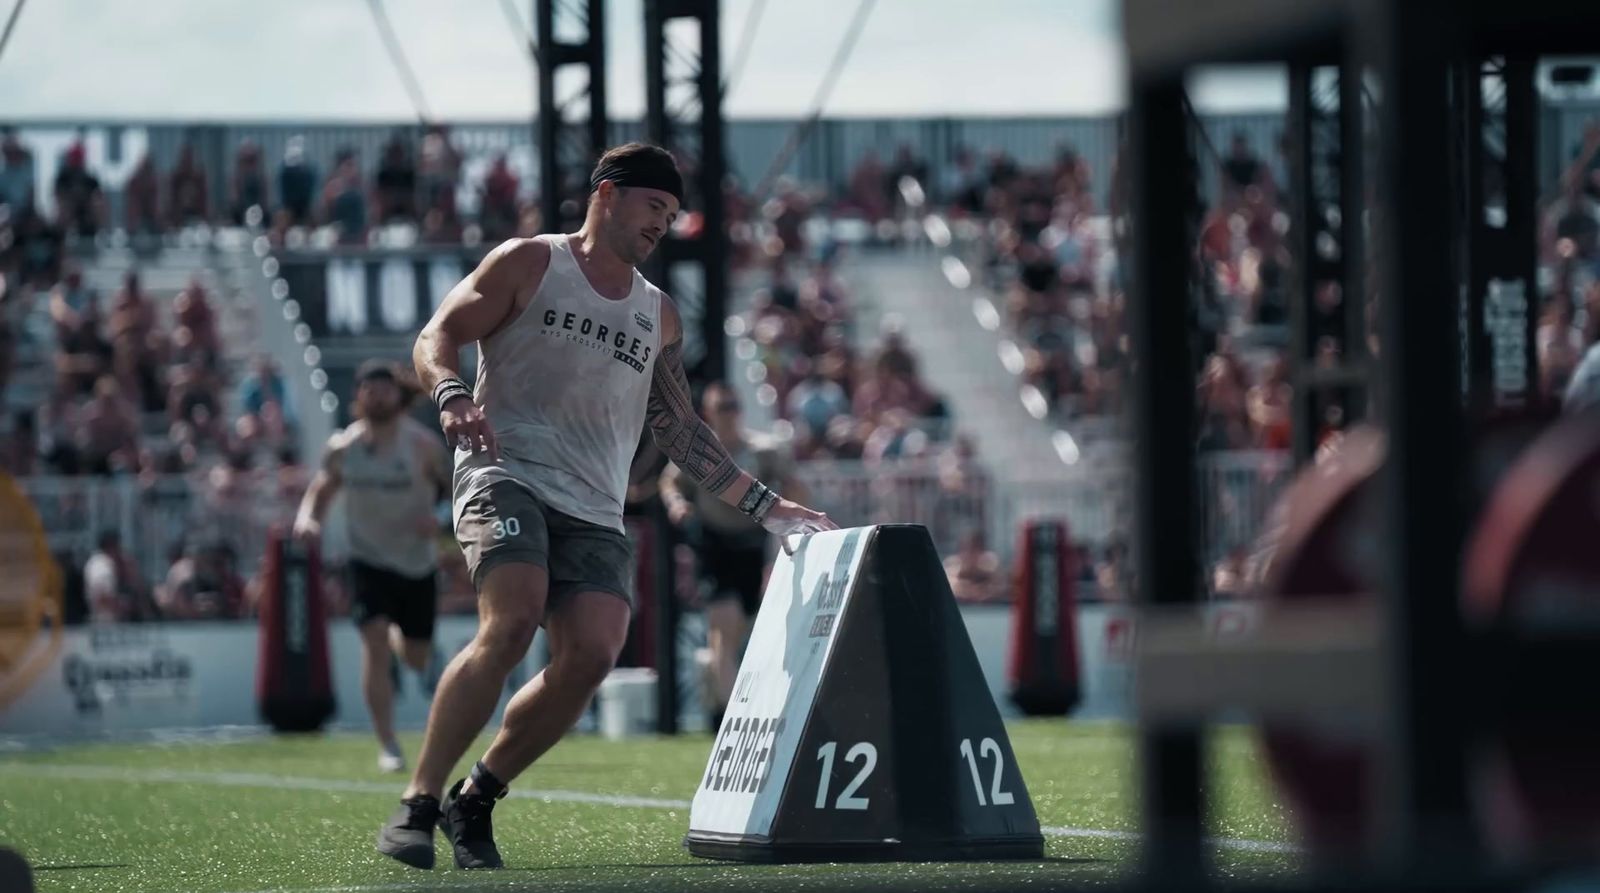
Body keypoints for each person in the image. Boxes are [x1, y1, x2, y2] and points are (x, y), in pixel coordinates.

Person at [376, 142, 836, 871]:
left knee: (592, 652)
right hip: (506, 472)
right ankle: (418, 800)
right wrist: (451, 392)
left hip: (593, 504)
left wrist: (768, 506)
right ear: (608, 194)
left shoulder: (659, 314)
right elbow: (437, 336)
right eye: (655, 206)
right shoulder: (530, 262)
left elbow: (680, 428)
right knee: (517, 613)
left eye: (674, 214)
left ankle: (477, 797)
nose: (664, 224)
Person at [293, 359, 450, 773]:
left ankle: (409, 649)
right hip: (367, 560)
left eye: (385, 389)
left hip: (416, 563)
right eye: (370, 389)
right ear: (357, 397)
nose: (378, 396)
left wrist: (442, 519)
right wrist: (308, 519)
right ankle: (388, 744)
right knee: (373, 639)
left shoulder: (422, 446)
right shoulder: (344, 448)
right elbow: (321, 490)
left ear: (399, 396)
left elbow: (457, 490)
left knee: (414, 658)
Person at [659, 382, 805, 731]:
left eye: (734, 404)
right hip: (713, 543)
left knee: (737, 630)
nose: (730, 412)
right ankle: (731, 719)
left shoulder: (764, 449)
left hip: (751, 544)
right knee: (724, 626)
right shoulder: (698, 450)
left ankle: (716, 684)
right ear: (708, 413)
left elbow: (793, 485)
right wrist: (677, 504)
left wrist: (794, 521)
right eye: (722, 406)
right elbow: (670, 483)